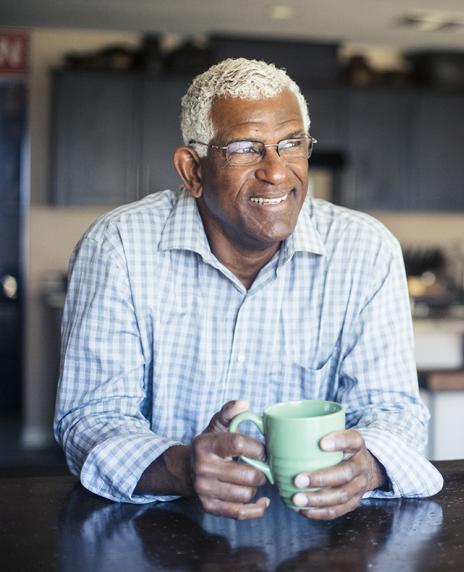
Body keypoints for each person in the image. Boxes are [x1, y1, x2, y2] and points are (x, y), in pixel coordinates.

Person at [53, 58, 443, 521]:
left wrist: (370, 465)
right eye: (245, 148)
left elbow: (392, 409)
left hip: (318, 535)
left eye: (291, 144)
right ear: (192, 171)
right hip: (159, 532)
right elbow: (90, 419)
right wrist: (181, 468)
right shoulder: (117, 247)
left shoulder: (366, 249)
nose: (276, 172)